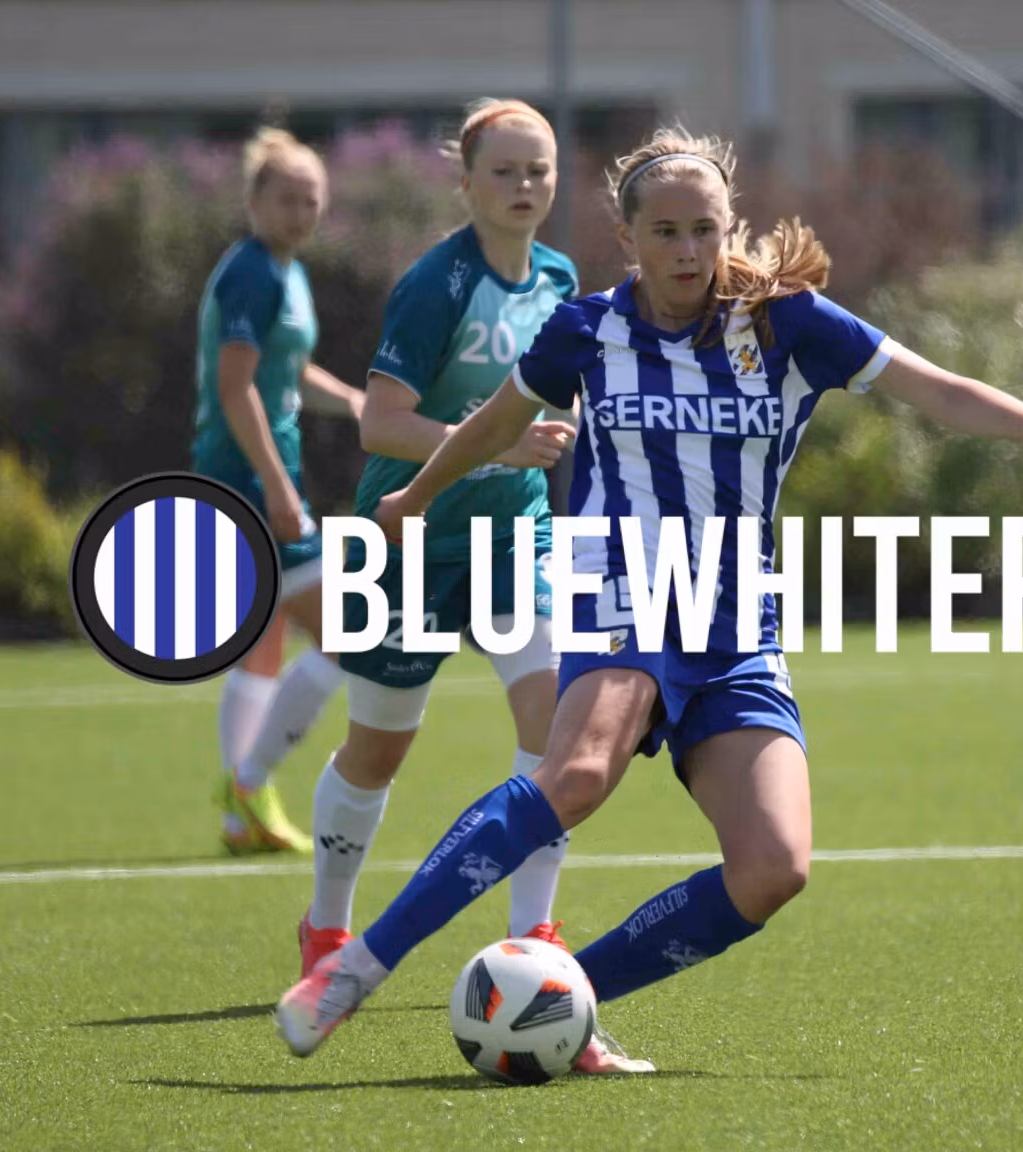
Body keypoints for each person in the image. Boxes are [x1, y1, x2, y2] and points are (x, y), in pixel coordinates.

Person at [275, 126, 1023, 1066]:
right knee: (578, 774)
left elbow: (937, 389)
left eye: (703, 230)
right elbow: (488, 425)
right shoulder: (587, 329)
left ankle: (561, 1003)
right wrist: (414, 498)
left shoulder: (788, 324)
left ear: (728, 227)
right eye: (666, 232)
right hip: (624, 584)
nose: (686, 251)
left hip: (735, 618)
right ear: (628, 237)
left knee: (772, 868)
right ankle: (355, 967)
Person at [297, 99, 604, 1014]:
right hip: (406, 539)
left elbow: (556, 400)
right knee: (378, 748)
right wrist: (497, 441)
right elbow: (379, 422)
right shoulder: (437, 284)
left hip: (514, 533)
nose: (524, 185)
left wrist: (558, 430)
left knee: (554, 726)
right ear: (465, 183)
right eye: (504, 171)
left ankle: (534, 936)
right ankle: (327, 928)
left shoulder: (561, 278)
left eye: (539, 170)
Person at [193, 126, 363, 856]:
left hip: (265, 476)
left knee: (261, 647)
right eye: (288, 198)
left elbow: (286, 373)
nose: (302, 212)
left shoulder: (286, 273)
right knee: (348, 633)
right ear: (254, 200)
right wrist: (271, 483)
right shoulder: (252, 275)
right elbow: (236, 388)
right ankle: (248, 781)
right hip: (247, 480)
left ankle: (243, 815)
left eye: (312, 199)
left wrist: (352, 402)